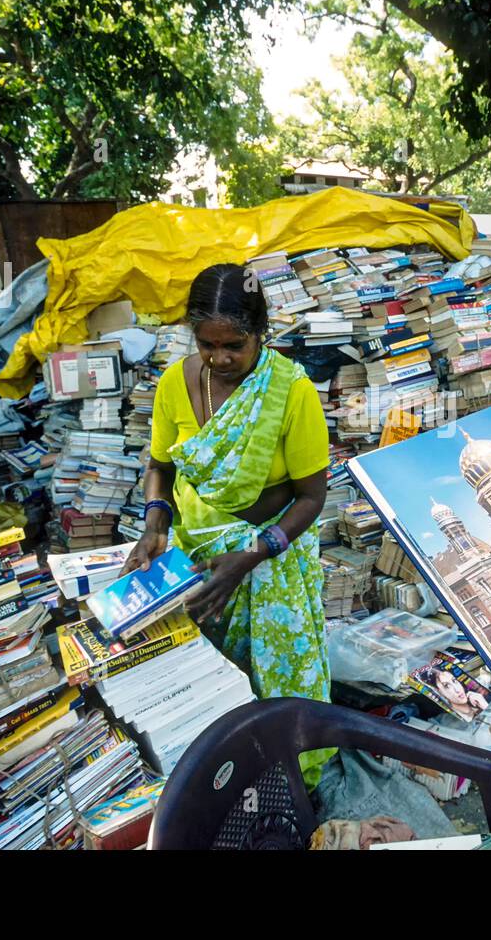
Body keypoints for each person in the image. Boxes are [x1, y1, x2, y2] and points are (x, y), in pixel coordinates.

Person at [123, 263, 335, 786]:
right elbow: (160, 466)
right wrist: (155, 525)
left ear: (261, 332)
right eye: (206, 344)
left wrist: (254, 554)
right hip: (200, 561)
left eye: (234, 345)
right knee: (214, 688)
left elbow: (312, 496)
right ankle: (227, 785)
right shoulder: (175, 382)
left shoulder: (290, 391)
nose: (219, 359)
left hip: (266, 564)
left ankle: (293, 787)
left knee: (278, 689)